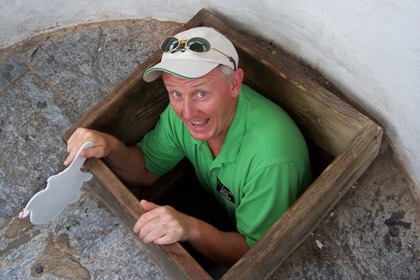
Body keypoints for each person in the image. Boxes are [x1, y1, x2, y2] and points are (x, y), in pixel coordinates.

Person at [65, 26, 311, 266]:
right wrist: (109, 146)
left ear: (235, 83)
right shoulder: (182, 116)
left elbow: (254, 254)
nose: (188, 112)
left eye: (201, 93)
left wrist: (189, 227)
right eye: (175, 93)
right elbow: (146, 170)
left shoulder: (271, 159)